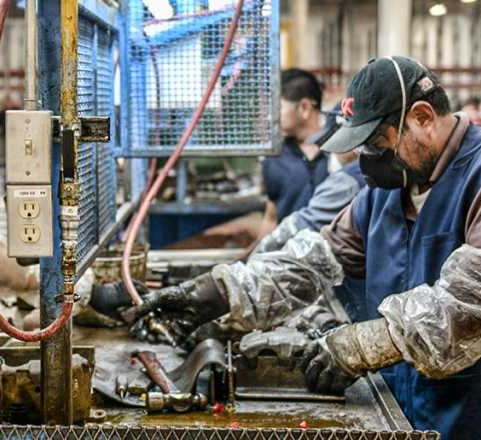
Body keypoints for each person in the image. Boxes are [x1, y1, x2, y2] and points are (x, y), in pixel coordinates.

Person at [310, 56, 481, 439]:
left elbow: (476, 302)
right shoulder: (384, 195)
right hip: (414, 414)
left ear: (423, 117)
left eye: (378, 142)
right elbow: (318, 260)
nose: (369, 160)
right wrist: (229, 291)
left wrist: (360, 345)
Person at [90, 103, 366, 344]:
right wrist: (222, 289)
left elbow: (300, 234)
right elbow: (308, 264)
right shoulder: (367, 195)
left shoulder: (354, 181)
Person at [257, 68, 329, 238]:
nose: (271, 116)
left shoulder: (340, 153)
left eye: (278, 107)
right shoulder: (274, 158)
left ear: (304, 107)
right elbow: (271, 217)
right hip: (289, 257)